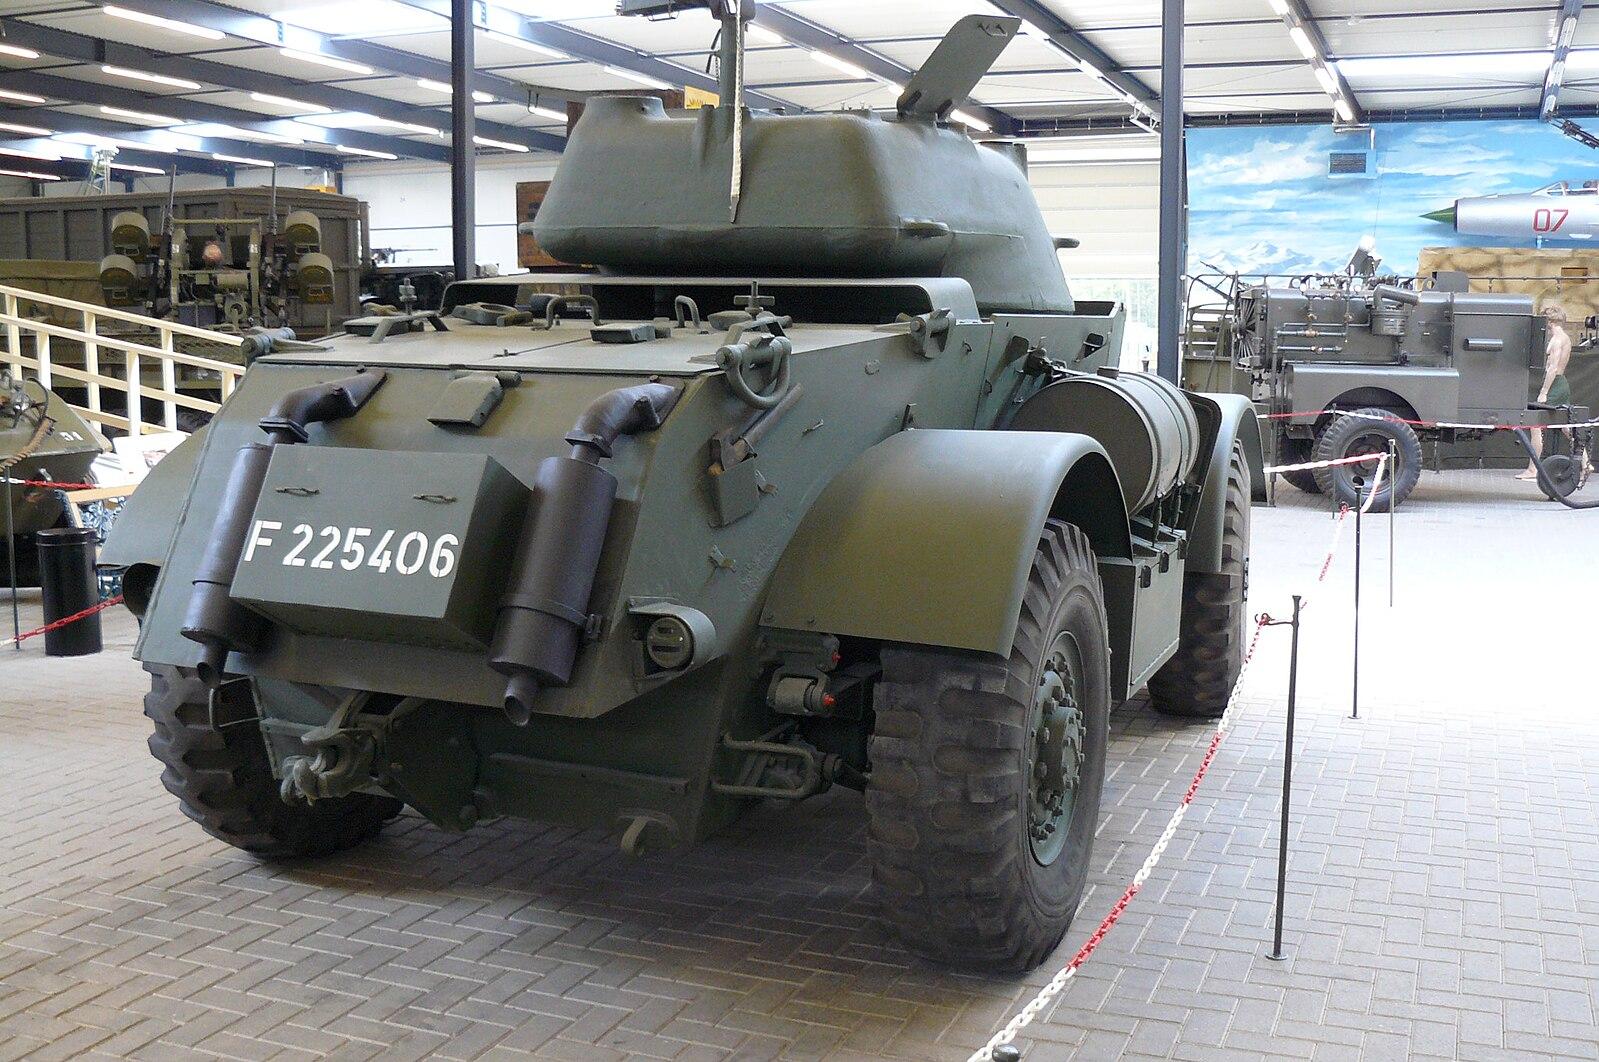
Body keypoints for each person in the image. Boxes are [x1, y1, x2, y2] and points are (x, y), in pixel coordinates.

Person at [1517, 303, 1576, 480]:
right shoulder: (1565, 338)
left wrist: (1544, 391)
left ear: (1549, 321)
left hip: (1555, 384)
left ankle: (1533, 469)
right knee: (1565, 426)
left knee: (1535, 425)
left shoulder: (1557, 340)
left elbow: (1553, 368)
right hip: (1560, 383)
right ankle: (1586, 462)